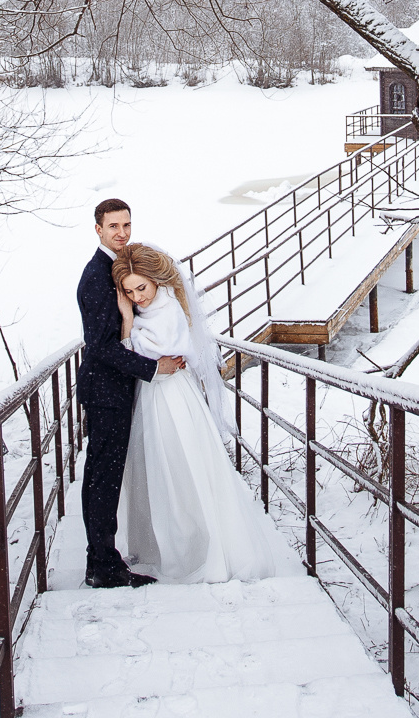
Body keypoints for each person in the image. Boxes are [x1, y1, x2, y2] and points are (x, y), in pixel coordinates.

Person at [113, 243, 304, 584]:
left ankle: (199, 548)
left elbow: (142, 357)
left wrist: (127, 322)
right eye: (129, 292)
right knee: (161, 468)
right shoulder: (151, 309)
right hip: (154, 395)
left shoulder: (168, 309)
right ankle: (167, 542)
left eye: (141, 288)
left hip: (171, 397)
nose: (137, 297)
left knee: (182, 467)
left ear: (156, 281)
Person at [75, 198, 185, 588]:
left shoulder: (116, 268)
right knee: (102, 479)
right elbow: (102, 347)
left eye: (126, 225)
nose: (121, 233)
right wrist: (154, 368)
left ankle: (102, 561)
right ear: (98, 230)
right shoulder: (96, 276)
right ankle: (103, 567)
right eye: (113, 227)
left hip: (116, 390)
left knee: (104, 478)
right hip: (106, 393)